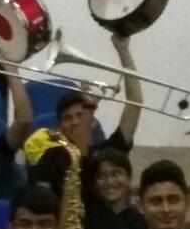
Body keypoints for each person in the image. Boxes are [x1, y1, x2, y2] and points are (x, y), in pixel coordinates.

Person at [31, 34, 142, 200]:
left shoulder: (108, 152)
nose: (75, 122)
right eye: (67, 118)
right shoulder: (52, 156)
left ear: (92, 120)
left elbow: (135, 103)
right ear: (60, 126)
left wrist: (123, 50)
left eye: (79, 115)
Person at [83, 148, 147, 229]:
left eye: (116, 174)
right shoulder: (87, 221)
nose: (109, 182)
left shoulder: (141, 223)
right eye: (102, 176)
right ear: (95, 182)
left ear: (129, 177)